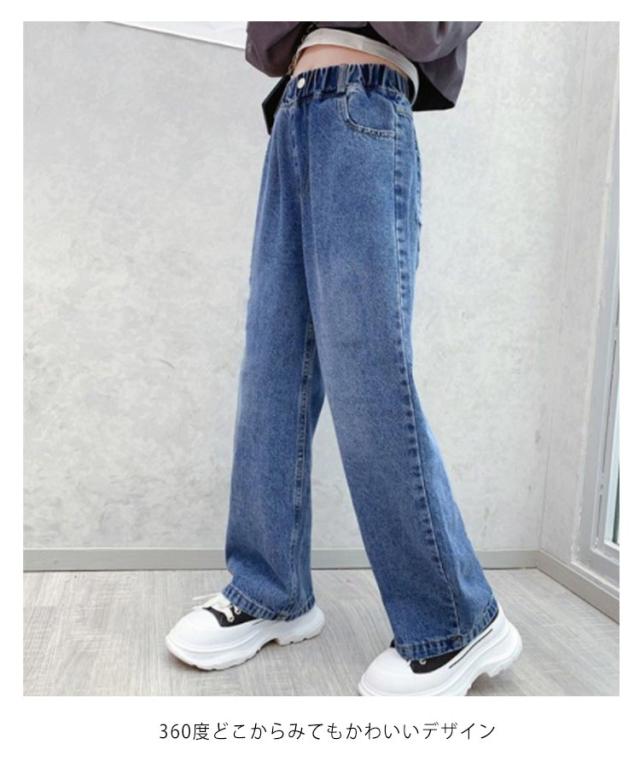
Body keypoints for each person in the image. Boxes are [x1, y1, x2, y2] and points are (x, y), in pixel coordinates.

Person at [166, 21, 523, 696]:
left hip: (365, 107)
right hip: (293, 117)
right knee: (271, 374)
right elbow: (264, 46)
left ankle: (457, 620)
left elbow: (426, 30)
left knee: (369, 377)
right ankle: (271, 591)